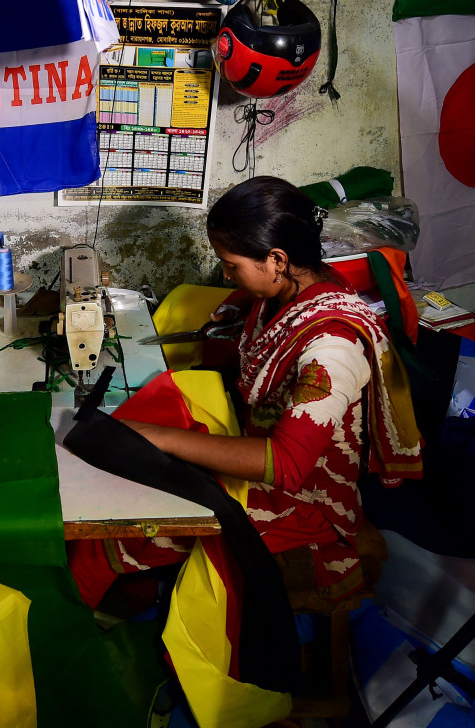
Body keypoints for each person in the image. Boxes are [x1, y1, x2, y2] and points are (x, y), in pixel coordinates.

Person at [70, 175, 423, 609]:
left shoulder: (333, 347)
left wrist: (157, 437)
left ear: (276, 259)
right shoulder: (285, 292)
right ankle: (127, 598)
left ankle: (56, 645)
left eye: (231, 264)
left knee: (114, 525)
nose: (225, 273)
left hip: (303, 502)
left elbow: (288, 466)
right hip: (257, 454)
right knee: (126, 463)